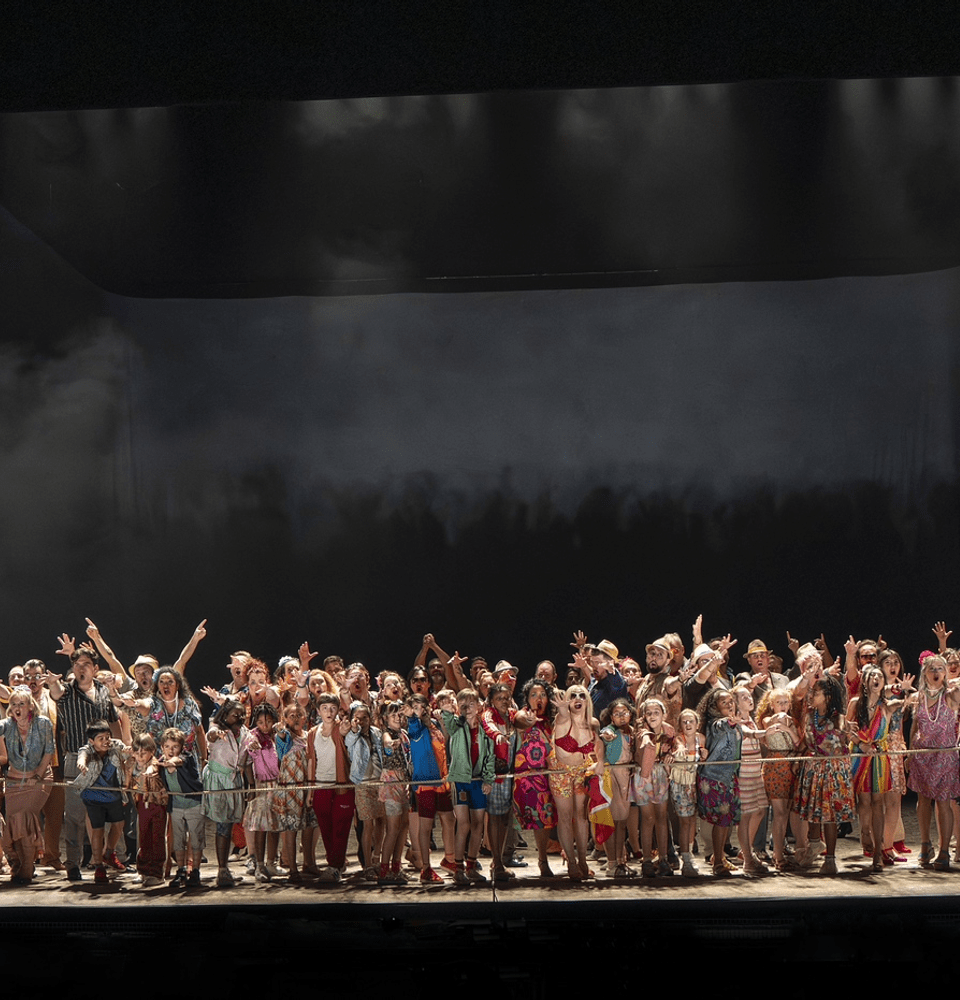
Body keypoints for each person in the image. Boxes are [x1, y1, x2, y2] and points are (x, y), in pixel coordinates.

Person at [47, 646, 122, 882]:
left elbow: (113, 721)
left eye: (85, 664)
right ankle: (72, 864)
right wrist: (52, 683)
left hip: (103, 761)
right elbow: (56, 693)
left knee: (103, 816)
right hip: (75, 760)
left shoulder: (103, 690)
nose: (80, 668)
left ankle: (101, 862)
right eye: (77, 664)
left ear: (95, 668)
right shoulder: (67, 691)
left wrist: (121, 751)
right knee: (75, 817)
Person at [790, 646, 855, 876]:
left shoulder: (838, 718)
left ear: (827, 696)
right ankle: (814, 844)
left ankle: (831, 858)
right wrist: (798, 757)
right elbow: (807, 740)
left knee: (830, 816)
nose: (811, 696)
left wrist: (851, 732)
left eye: (815, 693)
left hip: (833, 771)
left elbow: (847, 734)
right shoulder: (810, 716)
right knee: (813, 812)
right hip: (813, 769)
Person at [846, 664, 908, 870]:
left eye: (879, 676)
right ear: (865, 681)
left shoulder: (886, 706)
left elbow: (906, 701)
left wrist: (905, 690)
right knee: (864, 801)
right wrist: (860, 743)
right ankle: (865, 832)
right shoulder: (855, 703)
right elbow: (846, 730)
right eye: (872, 676)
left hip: (879, 757)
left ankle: (878, 853)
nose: (876, 679)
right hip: (860, 756)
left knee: (878, 802)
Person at [904, 653, 960, 870]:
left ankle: (944, 850)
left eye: (940, 668)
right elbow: (914, 726)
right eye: (932, 669)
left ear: (945, 673)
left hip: (945, 755)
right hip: (922, 755)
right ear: (924, 673)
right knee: (923, 800)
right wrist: (910, 753)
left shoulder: (951, 695)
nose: (936, 672)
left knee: (943, 802)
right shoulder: (918, 697)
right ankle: (925, 844)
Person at [0, 686, 54, 884]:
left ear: (30, 706)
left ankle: (27, 868)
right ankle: (20, 864)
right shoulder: (6, 725)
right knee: (14, 822)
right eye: (14, 704)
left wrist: (37, 775)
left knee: (25, 818)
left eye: (21, 703)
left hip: (39, 778)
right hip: (14, 780)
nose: (17, 707)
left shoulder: (43, 723)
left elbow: (49, 751)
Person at [443, 687, 495, 885]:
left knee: (478, 823)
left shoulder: (485, 730)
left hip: (478, 780)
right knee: (463, 823)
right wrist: (447, 711)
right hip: (461, 780)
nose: (467, 708)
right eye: (463, 704)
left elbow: (489, 756)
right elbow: (448, 722)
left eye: (471, 703)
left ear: (479, 706)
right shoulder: (457, 725)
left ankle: (471, 866)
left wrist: (488, 779)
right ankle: (458, 868)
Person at [403, 692, 454, 884]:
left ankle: (450, 860)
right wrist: (411, 717)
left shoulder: (433, 724)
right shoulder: (414, 726)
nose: (418, 711)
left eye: (420, 706)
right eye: (414, 708)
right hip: (424, 783)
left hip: (441, 781)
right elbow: (415, 730)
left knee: (449, 819)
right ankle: (426, 868)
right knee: (425, 826)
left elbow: (444, 745)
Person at [548, 684, 597, 880]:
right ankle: (571, 861)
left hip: (581, 772)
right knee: (565, 817)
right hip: (560, 773)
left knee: (582, 816)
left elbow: (599, 747)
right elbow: (562, 715)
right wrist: (562, 708)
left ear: (587, 700)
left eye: (582, 695)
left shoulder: (592, 723)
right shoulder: (563, 719)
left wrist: (599, 762)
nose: (578, 699)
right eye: (573, 695)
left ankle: (583, 860)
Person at [73, 720, 130, 884]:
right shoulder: (87, 749)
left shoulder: (115, 746)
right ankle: (98, 865)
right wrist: (82, 764)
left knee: (119, 824)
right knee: (97, 830)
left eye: (107, 737)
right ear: (92, 741)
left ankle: (109, 853)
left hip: (113, 795)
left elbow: (126, 752)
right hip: (93, 797)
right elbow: (82, 757)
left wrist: (129, 752)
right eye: (101, 738)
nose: (106, 741)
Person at [307, 692, 355, 883]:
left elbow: (344, 733)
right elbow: (311, 761)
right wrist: (310, 790)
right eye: (325, 708)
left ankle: (334, 866)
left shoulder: (340, 728)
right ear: (318, 711)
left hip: (341, 785)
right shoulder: (312, 733)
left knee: (340, 827)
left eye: (333, 708)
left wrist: (345, 730)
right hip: (320, 786)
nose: (329, 712)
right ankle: (335, 863)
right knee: (326, 828)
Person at [512, 679, 558, 877]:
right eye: (533, 695)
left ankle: (544, 859)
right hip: (529, 776)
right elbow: (519, 720)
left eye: (542, 695)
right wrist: (529, 720)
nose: (538, 698)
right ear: (527, 698)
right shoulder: (524, 714)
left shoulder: (552, 720)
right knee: (538, 818)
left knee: (547, 819)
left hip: (551, 774)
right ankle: (541, 860)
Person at [203, 697, 248, 887]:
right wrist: (216, 734)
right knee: (222, 825)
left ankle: (225, 869)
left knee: (228, 825)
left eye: (242, 714)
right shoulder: (216, 728)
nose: (240, 718)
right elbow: (210, 736)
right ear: (225, 716)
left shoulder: (243, 732)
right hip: (219, 782)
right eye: (235, 715)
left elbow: (246, 756)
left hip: (234, 781)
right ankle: (221, 870)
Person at [697, 687, 742, 878]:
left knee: (726, 821)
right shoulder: (714, 724)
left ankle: (720, 857)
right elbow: (722, 726)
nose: (730, 705)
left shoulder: (735, 724)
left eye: (731, 701)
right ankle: (717, 863)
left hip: (730, 775)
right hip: (715, 777)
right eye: (724, 702)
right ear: (714, 707)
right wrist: (730, 721)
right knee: (721, 820)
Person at [756, 687, 799, 871]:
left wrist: (787, 727)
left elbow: (797, 742)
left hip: (790, 766)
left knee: (785, 813)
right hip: (775, 766)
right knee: (779, 812)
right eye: (779, 702)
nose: (783, 705)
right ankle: (778, 855)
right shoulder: (767, 719)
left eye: (786, 702)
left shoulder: (792, 721)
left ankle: (779, 851)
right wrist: (782, 722)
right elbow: (773, 722)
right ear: (771, 704)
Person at [633, 697, 676, 878]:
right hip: (643, 776)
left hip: (660, 775)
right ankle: (647, 860)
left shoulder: (669, 730)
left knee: (661, 817)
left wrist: (673, 754)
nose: (652, 716)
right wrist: (646, 740)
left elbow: (675, 746)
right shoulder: (641, 730)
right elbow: (643, 737)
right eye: (648, 713)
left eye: (656, 712)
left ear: (663, 714)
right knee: (647, 818)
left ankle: (663, 858)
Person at [273, 702, 315, 883]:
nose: (296, 719)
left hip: (307, 787)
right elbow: (281, 738)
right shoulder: (285, 736)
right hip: (289, 788)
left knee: (309, 826)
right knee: (291, 828)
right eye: (292, 716)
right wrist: (280, 731)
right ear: (285, 719)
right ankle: (292, 868)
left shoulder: (309, 736)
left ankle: (309, 863)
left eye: (300, 715)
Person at [344, 700, 386, 881]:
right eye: (357, 718)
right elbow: (349, 741)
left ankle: (377, 858)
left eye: (364, 718)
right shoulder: (352, 735)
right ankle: (367, 864)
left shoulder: (377, 733)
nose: (361, 721)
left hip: (380, 782)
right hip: (362, 783)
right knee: (367, 824)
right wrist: (354, 730)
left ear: (370, 718)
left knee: (381, 821)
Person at [158, 727, 204, 888]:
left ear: (181, 747)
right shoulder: (161, 761)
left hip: (193, 804)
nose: (171, 751)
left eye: (175, 747)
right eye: (167, 747)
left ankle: (195, 871)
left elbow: (178, 761)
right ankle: (181, 870)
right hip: (176, 806)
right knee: (178, 840)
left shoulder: (186, 757)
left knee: (196, 838)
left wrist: (170, 762)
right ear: (162, 747)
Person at [241, 703, 282, 882]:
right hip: (261, 786)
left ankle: (272, 862)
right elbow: (246, 763)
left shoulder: (278, 735)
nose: (265, 725)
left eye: (268, 721)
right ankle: (259, 865)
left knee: (275, 826)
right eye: (260, 722)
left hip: (279, 785)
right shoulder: (252, 737)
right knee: (261, 827)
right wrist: (252, 786)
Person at [732, 684, 769, 874]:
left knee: (760, 810)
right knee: (745, 816)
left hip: (756, 772)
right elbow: (747, 733)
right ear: (736, 703)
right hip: (744, 774)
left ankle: (745, 851)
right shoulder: (737, 722)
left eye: (749, 696)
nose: (749, 699)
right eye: (744, 697)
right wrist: (767, 732)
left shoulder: (751, 720)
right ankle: (748, 859)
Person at [596, 697, 635, 877]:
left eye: (624, 713)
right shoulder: (610, 731)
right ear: (611, 717)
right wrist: (607, 735)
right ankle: (612, 862)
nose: (621, 716)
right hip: (612, 776)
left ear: (630, 714)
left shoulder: (633, 732)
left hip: (626, 776)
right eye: (617, 714)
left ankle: (620, 861)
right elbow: (605, 734)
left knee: (622, 823)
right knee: (612, 821)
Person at [377, 699, 412, 885]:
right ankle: (384, 870)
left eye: (400, 714)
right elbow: (387, 743)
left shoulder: (404, 734)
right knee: (392, 828)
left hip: (404, 780)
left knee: (404, 825)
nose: (398, 718)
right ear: (385, 718)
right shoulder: (387, 733)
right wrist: (391, 744)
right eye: (393, 715)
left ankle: (397, 867)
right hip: (391, 781)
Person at [127, 732, 168, 888]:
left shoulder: (155, 764)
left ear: (152, 751)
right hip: (141, 804)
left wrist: (150, 771)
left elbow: (153, 768)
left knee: (156, 838)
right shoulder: (132, 764)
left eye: (143, 753)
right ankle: (143, 870)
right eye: (137, 753)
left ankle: (156, 872)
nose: (140, 756)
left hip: (156, 804)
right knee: (143, 837)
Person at [671, 708, 704, 876]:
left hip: (696, 785)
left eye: (691, 721)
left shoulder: (701, 738)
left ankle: (689, 853)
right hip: (681, 785)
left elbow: (704, 756)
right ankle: (685, 859)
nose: (688, 724)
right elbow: (678, 746)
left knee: (692, 821)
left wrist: (705, 754)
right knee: (684, 822)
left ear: (697, 724)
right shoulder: (679, 739)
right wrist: (680, 749)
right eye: (684, 722)